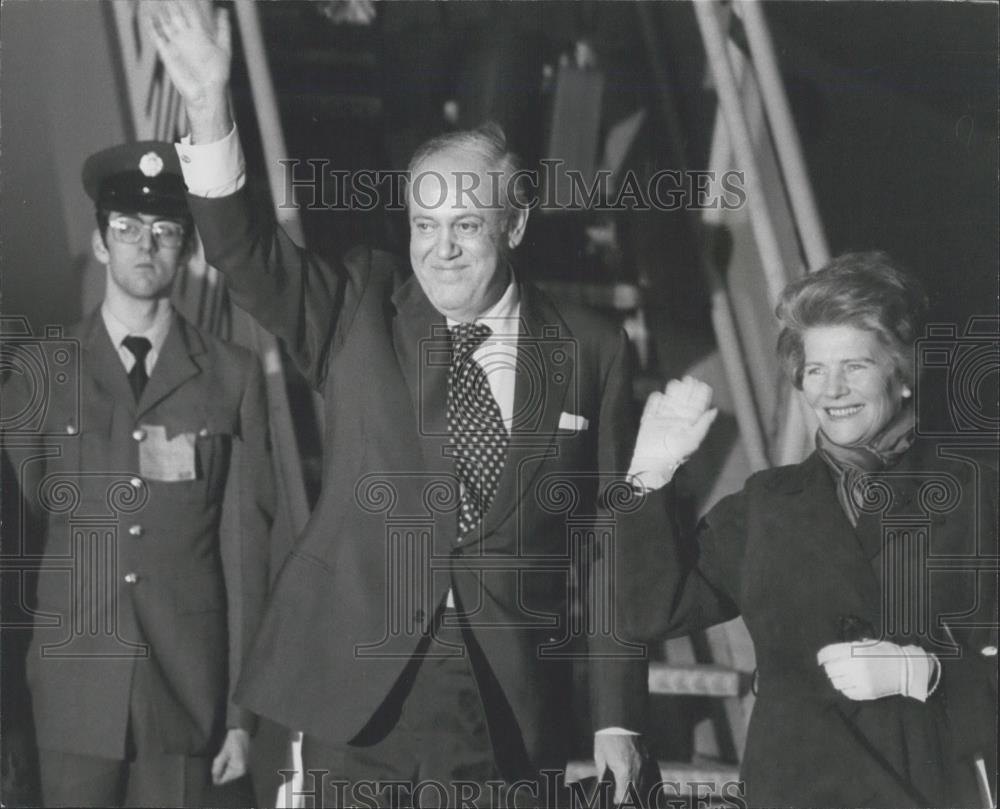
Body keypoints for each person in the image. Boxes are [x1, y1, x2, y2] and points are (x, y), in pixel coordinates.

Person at [142, 2, 675, 805]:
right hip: (352, 694)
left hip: (501, 704)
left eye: (467, 223)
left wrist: (616, 717)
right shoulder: (362, 303)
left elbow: (608, 545)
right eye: (426, 223)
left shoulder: (591, 348)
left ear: (518, 222)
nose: (441, 247)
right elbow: (247, 254)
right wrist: (212, 108)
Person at [626, 252, 998, 807]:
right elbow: (649, 610)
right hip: (795, 790)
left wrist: (928, 672)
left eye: (856, 366)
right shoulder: (766, 505)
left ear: (901, 375)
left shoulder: (978, 495)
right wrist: (645, 482)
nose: (833, 389)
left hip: (930, 788)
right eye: (816, 370)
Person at [2, 141, 274, 807]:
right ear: (100, 244)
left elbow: (244, 558)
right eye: (125, 229)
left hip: (184, 697)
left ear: (185, 250)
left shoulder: (231, 374)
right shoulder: (41, 373)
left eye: (164, 231)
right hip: (70, 693)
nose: (143, 246)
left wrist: (241, 715)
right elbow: (13, 549)